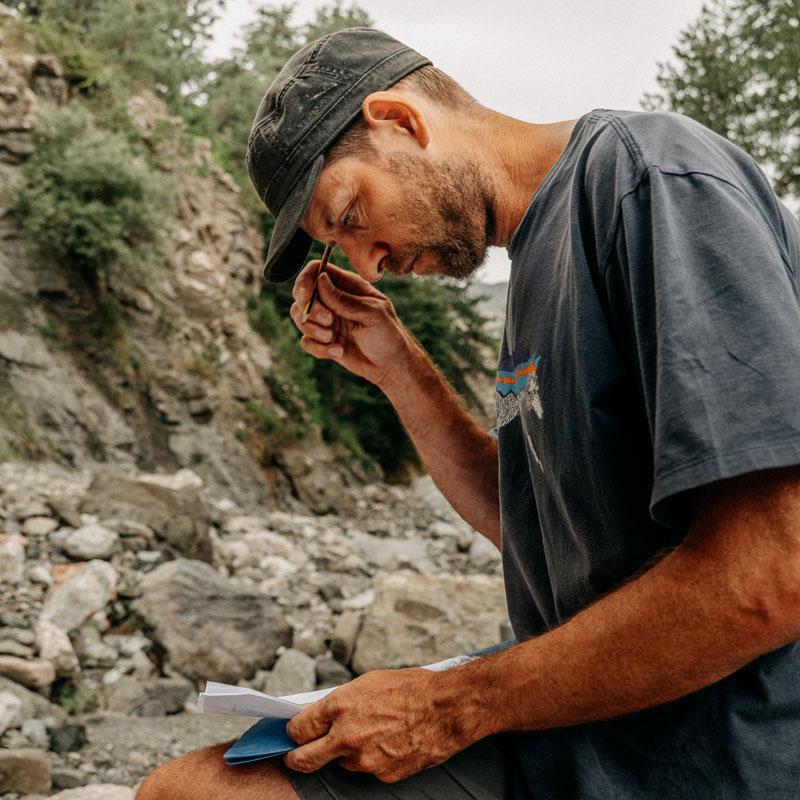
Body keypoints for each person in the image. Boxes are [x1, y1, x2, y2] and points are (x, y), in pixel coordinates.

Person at [136, 27, 800, 800]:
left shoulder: (645, 179)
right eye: (339, 246)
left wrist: (453, 705)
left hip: (706, 751)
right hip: (573, 733)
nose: (368, 262)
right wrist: (400, 371)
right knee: (195, 791)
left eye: (349, 213)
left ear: (401, 120)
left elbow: (773, 570)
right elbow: (540, 529)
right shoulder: (531, 268)